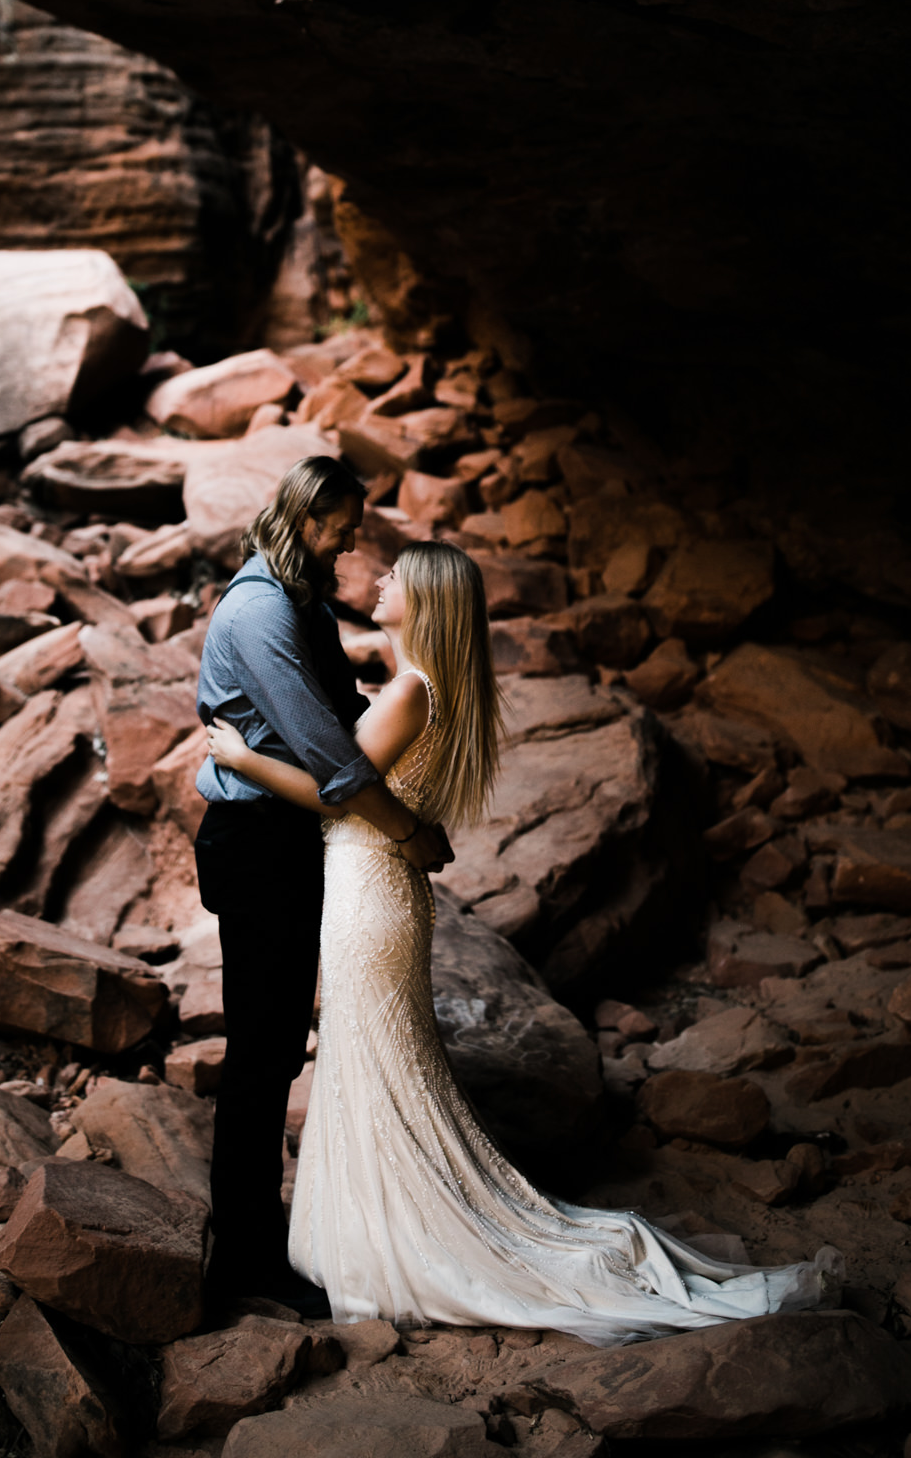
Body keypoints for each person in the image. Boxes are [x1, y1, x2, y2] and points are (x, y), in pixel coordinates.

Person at [206, 539, 843, 1342]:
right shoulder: (423, 684)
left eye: (396, 576)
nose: (379, 579)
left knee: (374, 1063)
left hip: (369, 896)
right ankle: (371, 1225)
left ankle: (402, 1237)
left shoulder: (408, 692)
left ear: (426, 601)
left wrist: (242, 759)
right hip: (380, 892)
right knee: (375, 1063)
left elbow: (339, 796)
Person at [194, 455, 451, 1319]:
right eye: (340, 529)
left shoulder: (296, 598)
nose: (350, 545)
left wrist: (387, 666)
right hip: (255, 843)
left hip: (287, 840)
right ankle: (242, 1259)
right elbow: (332, 759)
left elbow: (333, 701)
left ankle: (283, 1238)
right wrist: (408, 831)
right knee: (262, 1056)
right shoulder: (261, 609)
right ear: (306, 519)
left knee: (274, 1046)